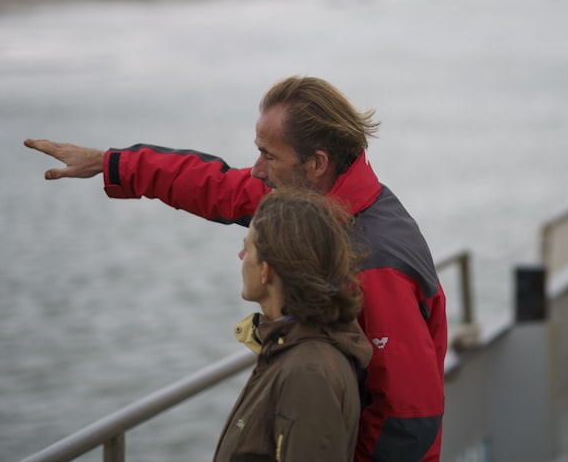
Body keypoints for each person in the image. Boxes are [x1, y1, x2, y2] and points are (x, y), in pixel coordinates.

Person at [24, 75, 447, 462]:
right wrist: (111, 163)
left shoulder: (378, 263)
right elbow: (218, 186)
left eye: (267, 155)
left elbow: (409, 418)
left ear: (316, 163)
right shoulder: (311, 211)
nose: (257, 169)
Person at [215, 187, 372, 462]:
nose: (241, 256)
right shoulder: (285, 348)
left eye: (248, 247)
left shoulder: (308, 375)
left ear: (267, 270)